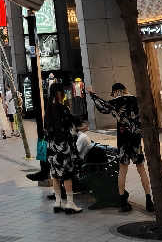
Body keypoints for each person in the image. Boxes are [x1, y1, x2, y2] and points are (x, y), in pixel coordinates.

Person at [87, 82, 154, 213]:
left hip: (123, 140)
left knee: (122, 170)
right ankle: (148, 200)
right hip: (135, 139)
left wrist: (92, 94)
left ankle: (123, 202)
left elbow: (103, 107)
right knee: (141, 169)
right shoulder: (136, 100)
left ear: (116, 92)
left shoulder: (116, 102)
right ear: (125, 90)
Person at [45, 84, 82, 215]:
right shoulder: (62, 108)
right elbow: (72, 125)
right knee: (67, 175)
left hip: (51, 146)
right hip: (63, 146)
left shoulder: (48, 109)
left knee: (55, 174)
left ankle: (58, 202)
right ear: (59, 93)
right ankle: (70, 203)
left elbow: (47, 128)